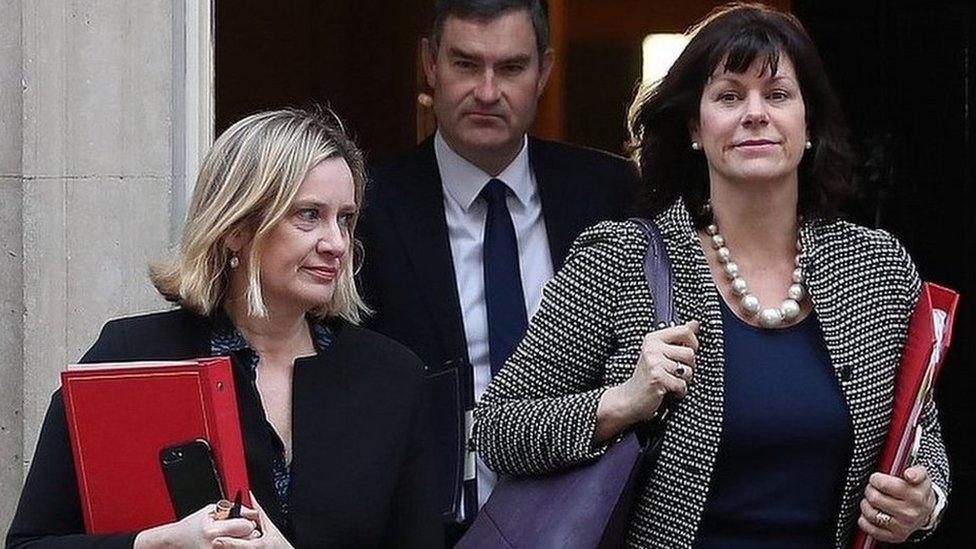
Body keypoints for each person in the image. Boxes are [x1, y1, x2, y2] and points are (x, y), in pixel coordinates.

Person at [473, 3, 949, 548]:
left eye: (777, 95)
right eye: (729, 95)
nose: (755, 113)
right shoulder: (618, 259)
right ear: (695, 128)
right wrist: (623, 401)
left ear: (808, 122)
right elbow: (497, 429)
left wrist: (925, 501)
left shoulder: (877, 267)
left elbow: (922, 437)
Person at [6, 109, 442, 548]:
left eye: (345, 218)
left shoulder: (391, 376)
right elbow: (30, 544)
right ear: (236, 228)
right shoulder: (132, 354)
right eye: (309, 215)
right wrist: (158, 544)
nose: (337, 243)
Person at [356, 0, 637, 537]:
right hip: (425, 530)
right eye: (465, 64)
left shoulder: (613, 195)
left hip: (588, 525)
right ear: (429, 64)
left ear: (544, 72)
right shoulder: (367, 207)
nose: (487, 92)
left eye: (511, 68)